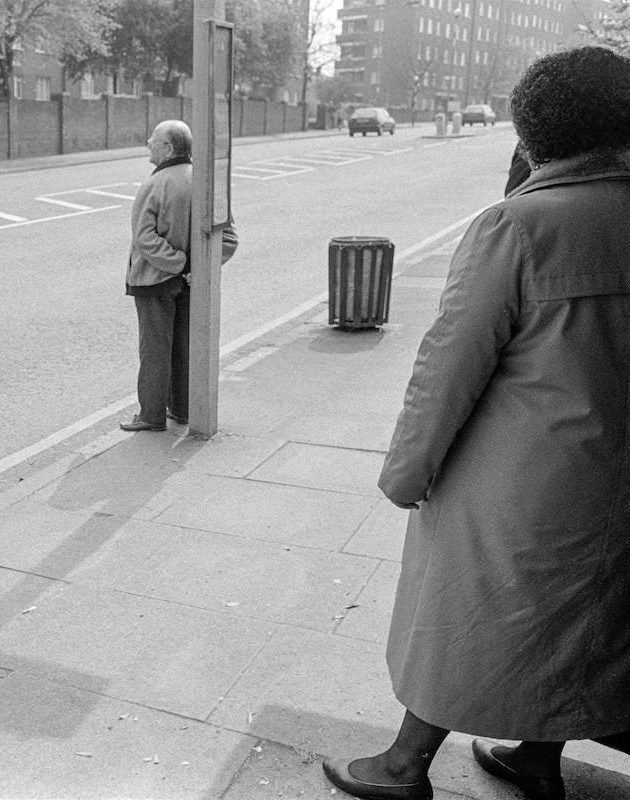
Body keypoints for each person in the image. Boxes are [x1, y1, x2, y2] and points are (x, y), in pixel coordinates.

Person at [322, 46, 630, 800]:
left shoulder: (518, 226)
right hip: (614, 479)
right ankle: (537, 758)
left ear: (530, 132)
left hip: (520, 484)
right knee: (580, 625)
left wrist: (406, 473)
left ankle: (403, 766)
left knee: (466, 618)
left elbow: (448, 367)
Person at [119, 120, 237, 432]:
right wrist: (195, 269)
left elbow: (144, 238)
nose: (148, 143)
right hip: (191, 283)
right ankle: (183, 410)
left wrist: (177, 263)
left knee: (154, 350)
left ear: (169, 148)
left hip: (154, 282)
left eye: (153, 140)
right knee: (184, 347)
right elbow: (229, 240)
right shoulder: (207, 183)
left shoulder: (154, 185)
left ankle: (151, 416)